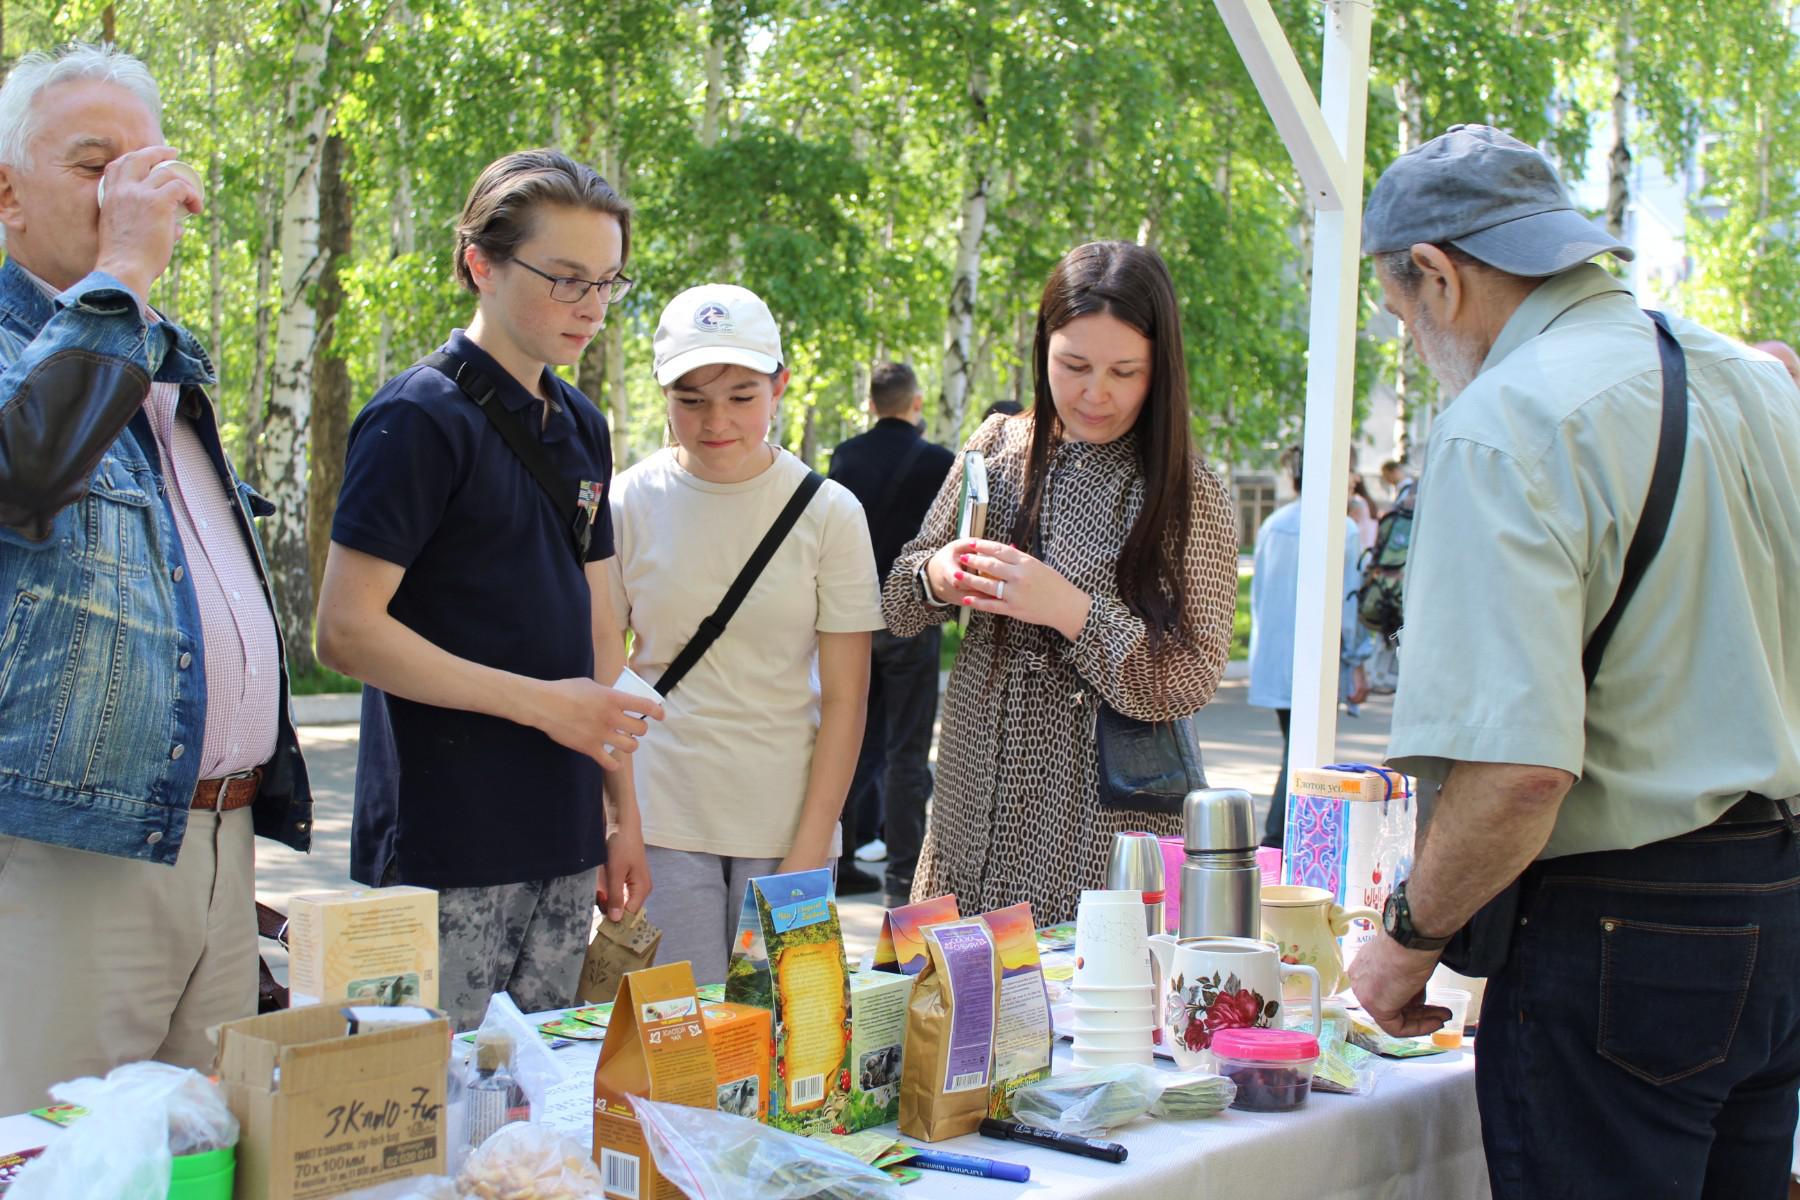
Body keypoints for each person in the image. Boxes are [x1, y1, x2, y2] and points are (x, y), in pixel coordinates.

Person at [1347, 124, 1800, 1197]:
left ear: (1439, 276)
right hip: (1782, 903)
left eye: (1401, 314)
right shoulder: (1760, 387)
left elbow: (1519, 773)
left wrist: (1406, 941)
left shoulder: (1506, 422)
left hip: (1624, 927)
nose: (1414, 341)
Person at [0, 44, 312, 1109]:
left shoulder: (163, 360)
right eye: (97, 166)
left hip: (221, 840)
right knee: (61, 1157)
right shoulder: (46, 345)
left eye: (151, 166)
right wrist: (121, 274)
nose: (135, 191)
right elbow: (23, 468)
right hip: (69, 853)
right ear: (6, 193)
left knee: (200, 1157)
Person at [316, 150, 657, 1031]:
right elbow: (345, 632)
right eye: (566, 279)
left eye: (608, 283)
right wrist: (546, 707)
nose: (592, 307)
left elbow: (602, 628)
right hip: (445, 846)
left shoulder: (582, 424)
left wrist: (621, 814)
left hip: (567, 842)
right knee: (424, 1095)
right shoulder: (416, 419)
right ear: (481, 264)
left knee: (539, 1099)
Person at [883, 240, 1239, 923]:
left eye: (1124, 372)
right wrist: (938, 574)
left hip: (1097, 833)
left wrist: (1071, 610)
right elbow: (899, 602)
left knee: (1076, 987)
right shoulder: (996, 447)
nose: (1094, 393)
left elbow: (1191, 676)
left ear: (1160, 369)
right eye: (1073, 365)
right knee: (957, 986)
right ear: (1042, 346)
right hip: (968, 814)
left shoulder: (1186, 492)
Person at [607, 284, 882, 985]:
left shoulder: (831, 513)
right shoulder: (628, 501)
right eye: (691, 399)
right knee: (678, 1036)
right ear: (663, 394)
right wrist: (619, 825)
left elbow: (847, 699)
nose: (717, 421)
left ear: (779, 387)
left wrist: (807, 855)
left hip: (789, 822)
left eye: (741, 395)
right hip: (661, 819)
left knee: (784, 1036)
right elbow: (605, 673)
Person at [828, 362, 956, 905]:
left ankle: (843, 859)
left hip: (852, 618)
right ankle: (904, 874)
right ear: (916, 403)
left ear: (872, 404)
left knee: (850, 738)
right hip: (912, 619)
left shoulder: (845, 456)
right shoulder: (940, 462)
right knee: (907, 748)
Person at [1246, 445, 1373, 847]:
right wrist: (1356, 660)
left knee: (1295, 746)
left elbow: (1259, 596)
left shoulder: (1274, 523)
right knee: (1304, 753)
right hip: (1318, 659)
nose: (1354, 479)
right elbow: (1348, 602)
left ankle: (1288, 838)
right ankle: (1279, 839)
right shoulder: (1342, 528)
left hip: (1277, 656)